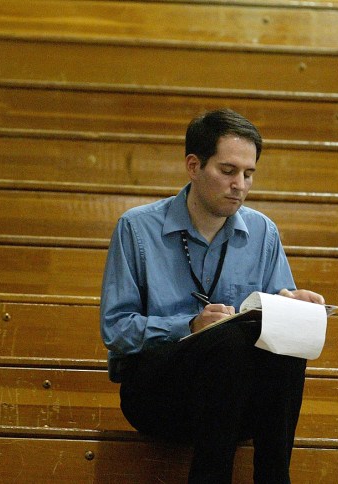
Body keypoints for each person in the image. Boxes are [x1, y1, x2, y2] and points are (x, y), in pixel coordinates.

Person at [100, 108, 325, 483]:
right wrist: (189, 325)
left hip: (235, 401)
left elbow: (272, 332)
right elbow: (116, 330)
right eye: (228, 171)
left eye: (248, 174)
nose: (240, 184)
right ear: (193, 166)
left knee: (285, 342)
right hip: (159, 397)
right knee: (228, 341)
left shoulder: (263, 231)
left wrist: (291, 306)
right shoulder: (137, 229)